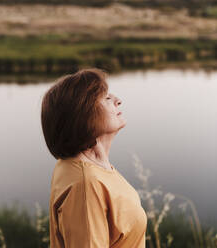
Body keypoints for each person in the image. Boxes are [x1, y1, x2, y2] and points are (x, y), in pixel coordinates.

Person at [41, 68, 147, 248]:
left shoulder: (87, 167)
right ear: (83, 115)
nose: (118, 100)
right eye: (106, 98)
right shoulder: (86, 184)